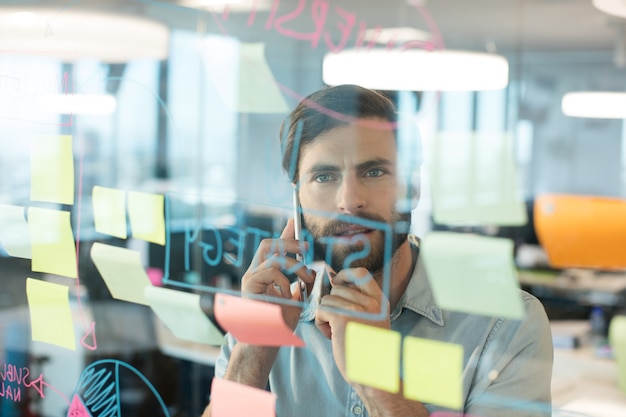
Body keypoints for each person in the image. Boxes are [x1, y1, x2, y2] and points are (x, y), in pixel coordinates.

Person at [203, 84, 553, 417]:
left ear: (412, 188)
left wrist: (377, 378)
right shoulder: (270, 306)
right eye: (324, 177)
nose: (349, 201)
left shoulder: (505, 325)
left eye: (374, 171)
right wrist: (251, 352)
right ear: (298, 201)